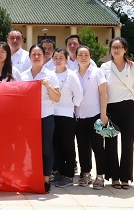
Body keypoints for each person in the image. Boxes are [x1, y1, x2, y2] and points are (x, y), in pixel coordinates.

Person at [20, 44, 60, 193]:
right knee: (30, 149)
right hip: (29, 118)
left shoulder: (50, 75)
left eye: (39, 54)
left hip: (45, 116)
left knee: (46, 148)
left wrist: (48, 86)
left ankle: (45, 178)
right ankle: (32, 176)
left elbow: (57, 98)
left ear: (44, 57)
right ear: (29, 57)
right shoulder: (23, 76)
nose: (36, 57)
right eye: (33, 54)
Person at [101, 37, 134, 190]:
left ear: (125, 50)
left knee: (128, 144)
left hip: (128, 108)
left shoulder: (133, 66)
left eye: (119, 47)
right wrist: (103, 112)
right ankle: (114, 177)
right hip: (111, 108)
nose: (116, 50)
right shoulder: (105, 67)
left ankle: (125, 178)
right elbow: (102, 91)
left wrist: (133, 108)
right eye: (114, 47)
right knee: (111, 143)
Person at [74, 45, 108, 190]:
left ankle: (100, 176)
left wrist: (103, 113)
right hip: (79, 116)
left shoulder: (97, 72)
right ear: (76, 57)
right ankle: (86, 173)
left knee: (98, 147)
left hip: (95, 116)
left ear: (90, 56)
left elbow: (103, 93)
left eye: (86, 55)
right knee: (82, 147)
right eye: (80, 55)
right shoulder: (73, 74)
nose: (83, 57)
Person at [51, 48, 83, 188]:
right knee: (56, 145)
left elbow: (79, 95)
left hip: (67, 115)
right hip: (52, 114)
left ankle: (69, 175)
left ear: (66, 60)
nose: (58, 60)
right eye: (55, 58)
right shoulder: (50, 74)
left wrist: (71, 106)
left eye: (61, 58)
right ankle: (59, 172)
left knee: (67, 146)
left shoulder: (71, 75)